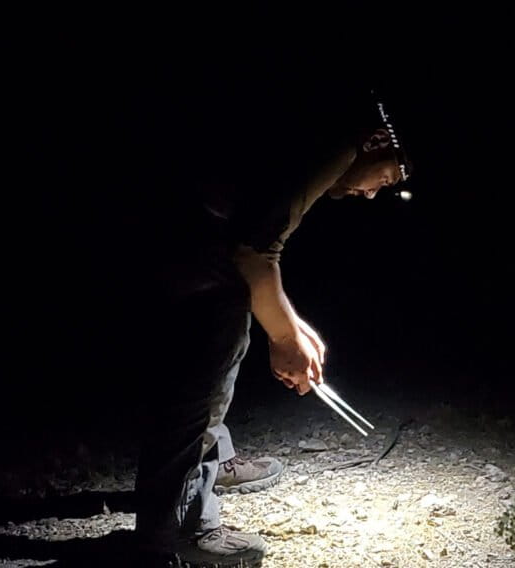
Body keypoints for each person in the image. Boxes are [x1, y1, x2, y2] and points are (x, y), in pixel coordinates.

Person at [127, 84, 414, 566]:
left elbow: (258, 246)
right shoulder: (337, 143)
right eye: (385, 180)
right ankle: (166, 539)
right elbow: (255, 251)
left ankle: (206, 478)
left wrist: (292, 327)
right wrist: (284, 337)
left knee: (212, 366)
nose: (370, 193)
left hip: (191, 239)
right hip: (188, 248)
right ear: (379, 142)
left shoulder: (317, 129)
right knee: (199, 384)